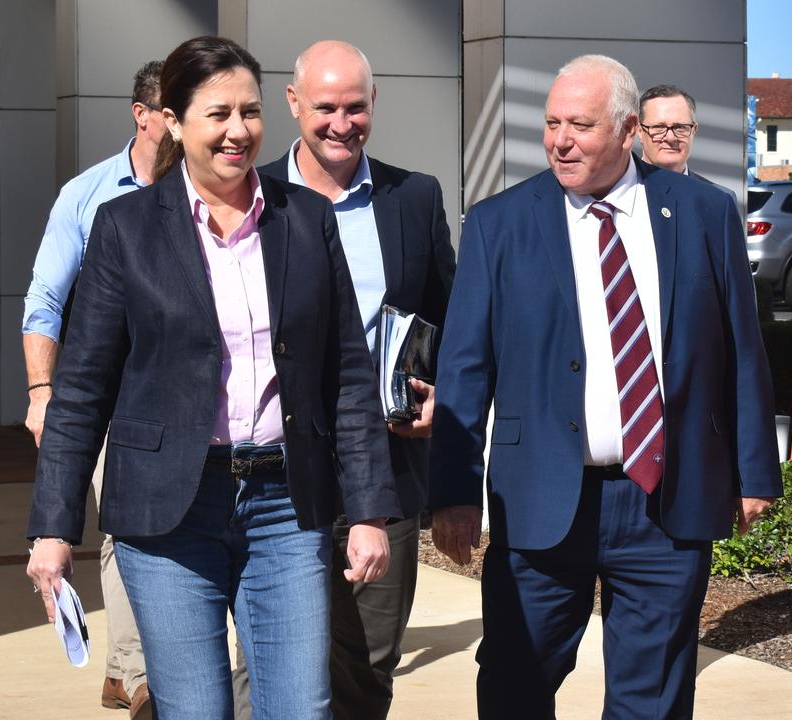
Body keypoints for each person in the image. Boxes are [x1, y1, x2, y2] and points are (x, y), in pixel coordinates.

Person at [24, 36, 399, 720]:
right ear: (172, 119)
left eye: (251, 113)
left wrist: (370, 510)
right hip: (170, 511)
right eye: (218, 114)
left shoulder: (304, 218)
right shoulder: (124, 227)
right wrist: (52, 528)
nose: (238, 131)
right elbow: (81, 390)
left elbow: (346, 372)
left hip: (286, 504)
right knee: (194, 708)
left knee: (300, 707)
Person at [429, 54, 781, 719]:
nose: (561, 140)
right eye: (552, 122)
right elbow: (464, 368)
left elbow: (741, 345)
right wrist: (451, 491)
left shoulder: (702, 211)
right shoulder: (500, 224)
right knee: (514, 684)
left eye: (580, 125)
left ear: (628, 132)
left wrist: (755, 470)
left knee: (653, 699)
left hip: (665, 501)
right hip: (541, 497)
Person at [241, 39, 453, 720]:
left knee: (366, 662)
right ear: (293, 104)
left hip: (387, 463)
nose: (341, 123)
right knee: (269, 660)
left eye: (355, 107)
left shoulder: (414, 198)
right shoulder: (253, 200)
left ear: (373, 105)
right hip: (276, 467)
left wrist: (442, 394)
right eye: (325, 107)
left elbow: (452, 322)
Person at [20, 60, 163, 720]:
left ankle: (119, 670)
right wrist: (43, 389)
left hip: (178, 394)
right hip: (104, 390)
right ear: (142, 114)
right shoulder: (89, 194)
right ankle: (140, 680)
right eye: (176, 108)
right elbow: (45, 299)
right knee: (127, 525)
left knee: (140, 530)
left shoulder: (210, 192)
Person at [638, 83, 738, 202]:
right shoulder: (618, 193)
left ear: (693, 131)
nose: (670, 138)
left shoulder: (720, 200)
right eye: (659, 127)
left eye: (680, 127)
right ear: (639, 131)